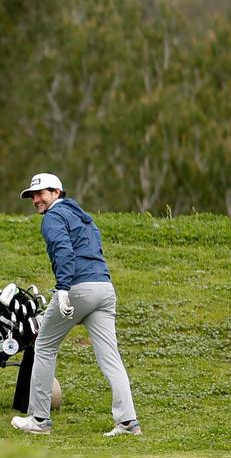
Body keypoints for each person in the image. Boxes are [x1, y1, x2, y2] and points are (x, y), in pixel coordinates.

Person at [11, 172, 140, 437]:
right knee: (110, 357)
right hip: (104, 289)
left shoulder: (54, 217)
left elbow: (63, 250)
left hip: (78, 289)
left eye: (41, 193)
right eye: (32, 196)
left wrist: (63, 290)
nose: (36, 199)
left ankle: (39, 420)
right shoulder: (84, 217)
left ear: (57, 192)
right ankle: (128, 421)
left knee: (43, 346)